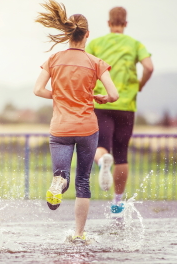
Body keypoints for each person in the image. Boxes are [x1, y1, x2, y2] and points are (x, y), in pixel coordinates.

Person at [33, 0, 119, 243]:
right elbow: (113, 95)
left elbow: (38, 89)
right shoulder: (95, 62)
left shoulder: (54, 59)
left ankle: (58, 183)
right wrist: (100, 97)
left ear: (68, 33)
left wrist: (59, 95)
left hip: (60, 128)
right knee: (83, 181)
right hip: (87, 128)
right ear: (87, 35)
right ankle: (79, 234)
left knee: (63, 175)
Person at [86, 6, 154, 214]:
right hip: (126, 105)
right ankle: (117, 203)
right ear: (125, 24)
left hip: (101, 102)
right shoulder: (134, 44)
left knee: (100, 147)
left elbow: (86, 68)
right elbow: (149, 67)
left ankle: (102, 163)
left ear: (108, 23)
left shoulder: (96, 43)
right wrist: (140, 85)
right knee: (122, 154)